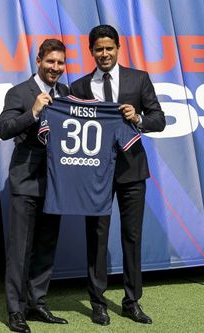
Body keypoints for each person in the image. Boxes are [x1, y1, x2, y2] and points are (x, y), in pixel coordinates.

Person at [70, 25, 166, 326]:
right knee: (96, 236)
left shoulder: (139, 79)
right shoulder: (79, 87)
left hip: (132, 169)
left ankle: (131, 301)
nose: (104, 53)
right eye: (98, 49)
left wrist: (136, 117)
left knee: (132, 236)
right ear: (91, 52)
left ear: (118, 48)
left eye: (109, 48)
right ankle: (98, 302)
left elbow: (158, 119)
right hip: (95, 174)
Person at [0, 39, 69, 333]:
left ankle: (37, 303)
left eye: (60, 63)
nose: (55, 68)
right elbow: (4, 129)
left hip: (56, 183)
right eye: (50, 62)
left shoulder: (66, 92)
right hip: (26, 180)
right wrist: (34, 112)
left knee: (46, 246)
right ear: (38, 60)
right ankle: (16, 310)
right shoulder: (19, 92)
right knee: (20, 249)